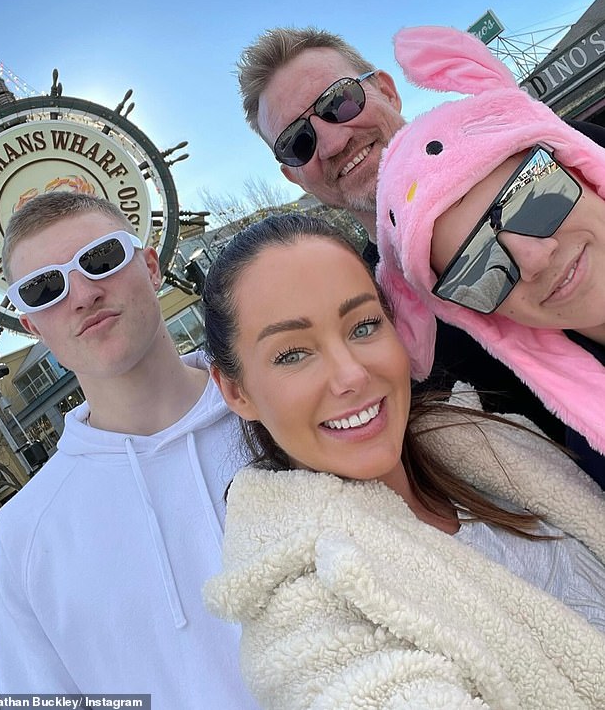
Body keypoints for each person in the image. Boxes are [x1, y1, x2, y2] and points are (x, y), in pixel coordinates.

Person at [202, 213, 605, 709]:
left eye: (364, 325)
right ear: (236, 390)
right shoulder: (302, 608)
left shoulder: (489, 439)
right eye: (291, 354)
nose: (350, 374)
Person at [238, 26, 605, 448]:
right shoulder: (374, 315)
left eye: (339, 101)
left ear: (388, 91)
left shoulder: (547, 149)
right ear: (294, 176)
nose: (333, 141)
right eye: (297, 142)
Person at [0, 193, 260, 708]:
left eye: (101, 259)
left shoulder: (281, 414)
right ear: (31, 324)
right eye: (45, 288)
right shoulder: (23, 538)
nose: (82, 294)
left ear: (151, 265)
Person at [376, 25, 605, 488]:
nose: (533, 259)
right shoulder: (587, 458)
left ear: (579, 167)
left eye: (534, 199)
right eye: (479, 269)